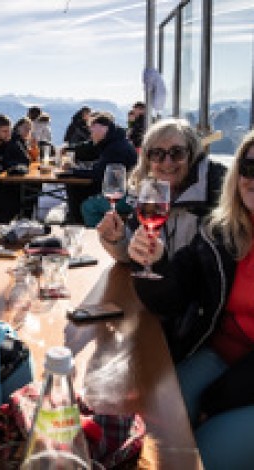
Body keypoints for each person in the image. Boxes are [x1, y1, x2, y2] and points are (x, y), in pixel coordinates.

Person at [128, 130, 254, 470]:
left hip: (244, 379)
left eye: (177, 153)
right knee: (143, 434)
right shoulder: (222, 233)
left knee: (202, 457)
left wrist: (217, 398)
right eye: (249, 167)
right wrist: (152, 262)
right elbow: (173, 295)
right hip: (218, 356)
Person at [97, 118, 226, 263]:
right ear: (148, 160)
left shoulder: (216, 193)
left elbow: (209, 270)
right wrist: (117, 240)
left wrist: (161, 264)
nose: (167, 162)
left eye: (177, 153)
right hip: (159, 285)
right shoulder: (151, 193)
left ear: (192, 155)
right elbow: (137, 256)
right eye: (157, 153)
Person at [65, 112, 138, 224]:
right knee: (78, 190)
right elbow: (94, 158)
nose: (91, 135)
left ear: (101, 129)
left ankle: (98, 236)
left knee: (88, 206)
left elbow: (99, 175)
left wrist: (72, 172)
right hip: (127, 192)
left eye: (92, 131)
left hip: (128, 198)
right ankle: (78, 224)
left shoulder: (115, 148)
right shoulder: (115, 141)